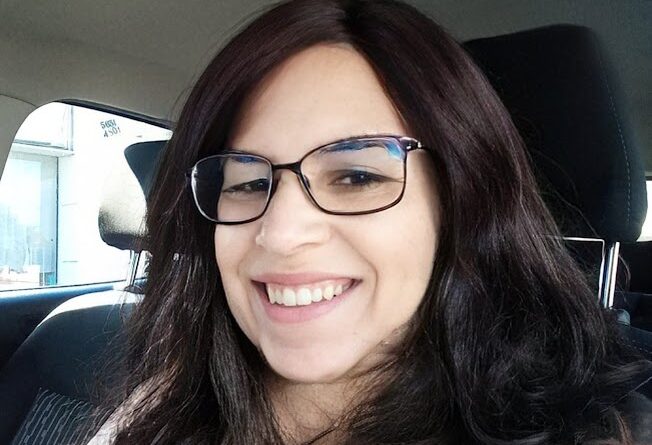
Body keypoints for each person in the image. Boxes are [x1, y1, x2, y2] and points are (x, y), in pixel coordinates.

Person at [88, 0, 652, 443]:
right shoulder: (158, 408)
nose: (281, 234)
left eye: (357, 176)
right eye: (248, 183)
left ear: (461, 200)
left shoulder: (598, 431)